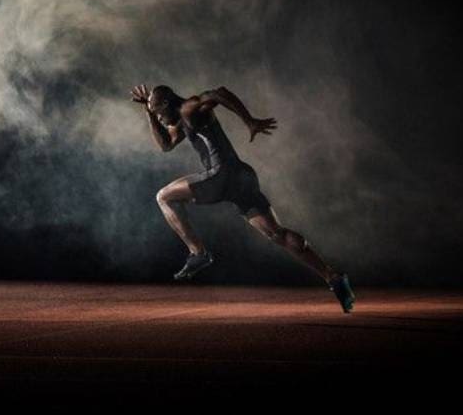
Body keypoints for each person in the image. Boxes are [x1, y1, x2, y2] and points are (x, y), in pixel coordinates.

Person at [130, 83, 355, 313]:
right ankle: (333, 277)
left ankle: (198, 252)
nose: (159, 117)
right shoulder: (181, 118)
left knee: (164, 197)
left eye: (158, 111)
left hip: (220, 175)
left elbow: (219, 93)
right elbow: (166, 145)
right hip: (242, 177)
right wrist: (148, 112)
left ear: (166, 103)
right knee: (277, 233)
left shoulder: (190, 107)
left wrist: (249, 121)